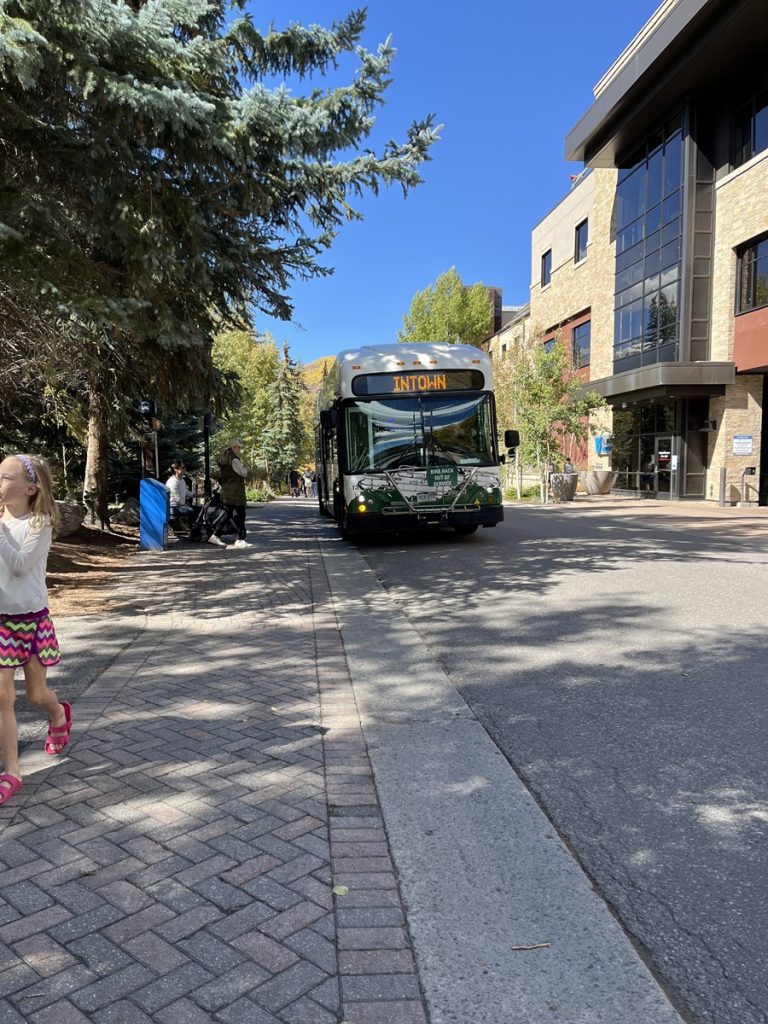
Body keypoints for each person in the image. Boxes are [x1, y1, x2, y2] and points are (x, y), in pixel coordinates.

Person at [0, 454, 72, 806]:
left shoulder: (39, 524)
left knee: (35, 696)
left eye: (5, 478)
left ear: (30, 488)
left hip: (30, 622)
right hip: (1, 623)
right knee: (2, 697)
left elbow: (18, 566)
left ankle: (57, 712)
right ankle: (12, 771)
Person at [210, 439, 250, 549]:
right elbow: (243, 473)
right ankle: (239, 539)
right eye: (238, 447)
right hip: (236, 492)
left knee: (227, 513)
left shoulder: (225, 459)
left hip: (228, 491)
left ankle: (216, 535)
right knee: (240, 515)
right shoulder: (234, 460)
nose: (239, 449)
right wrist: (245, 468)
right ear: (233, 447)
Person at [165, 459, 196, 531]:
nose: (185, 469)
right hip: (174, 507)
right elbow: (177, 500)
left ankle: (190, 527)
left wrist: (199, 495)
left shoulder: (182, 480)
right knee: (192, 511)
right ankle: (189, 528)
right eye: (183, 467)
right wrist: (186, 505)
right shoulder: (173, 482)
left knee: (198, 509)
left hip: (180, 505)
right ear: (176, 469)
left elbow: (187, 493)